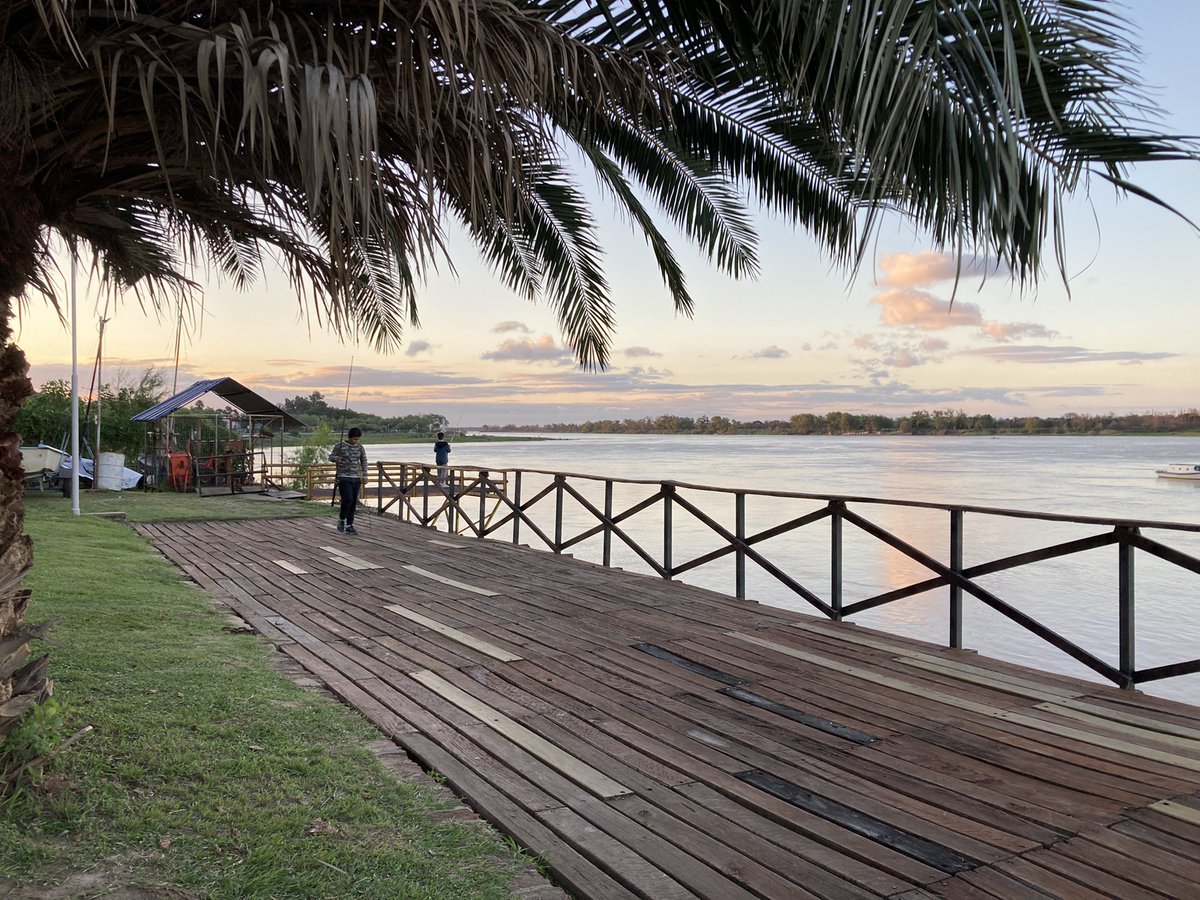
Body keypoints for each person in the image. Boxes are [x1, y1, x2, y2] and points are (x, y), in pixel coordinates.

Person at [330, 426, 368, 534]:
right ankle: (342, 518)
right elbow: (331, 457)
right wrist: (336, 458)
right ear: (349, 437)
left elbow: (364, 461)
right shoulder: (339, 446)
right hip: (343, 476)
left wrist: (365, 476)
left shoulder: (360, 447)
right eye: (354, 439)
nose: (356, 441)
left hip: (356, 478)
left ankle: (350, 525)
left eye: (358, 439)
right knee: (348, 499)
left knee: (353, 502)